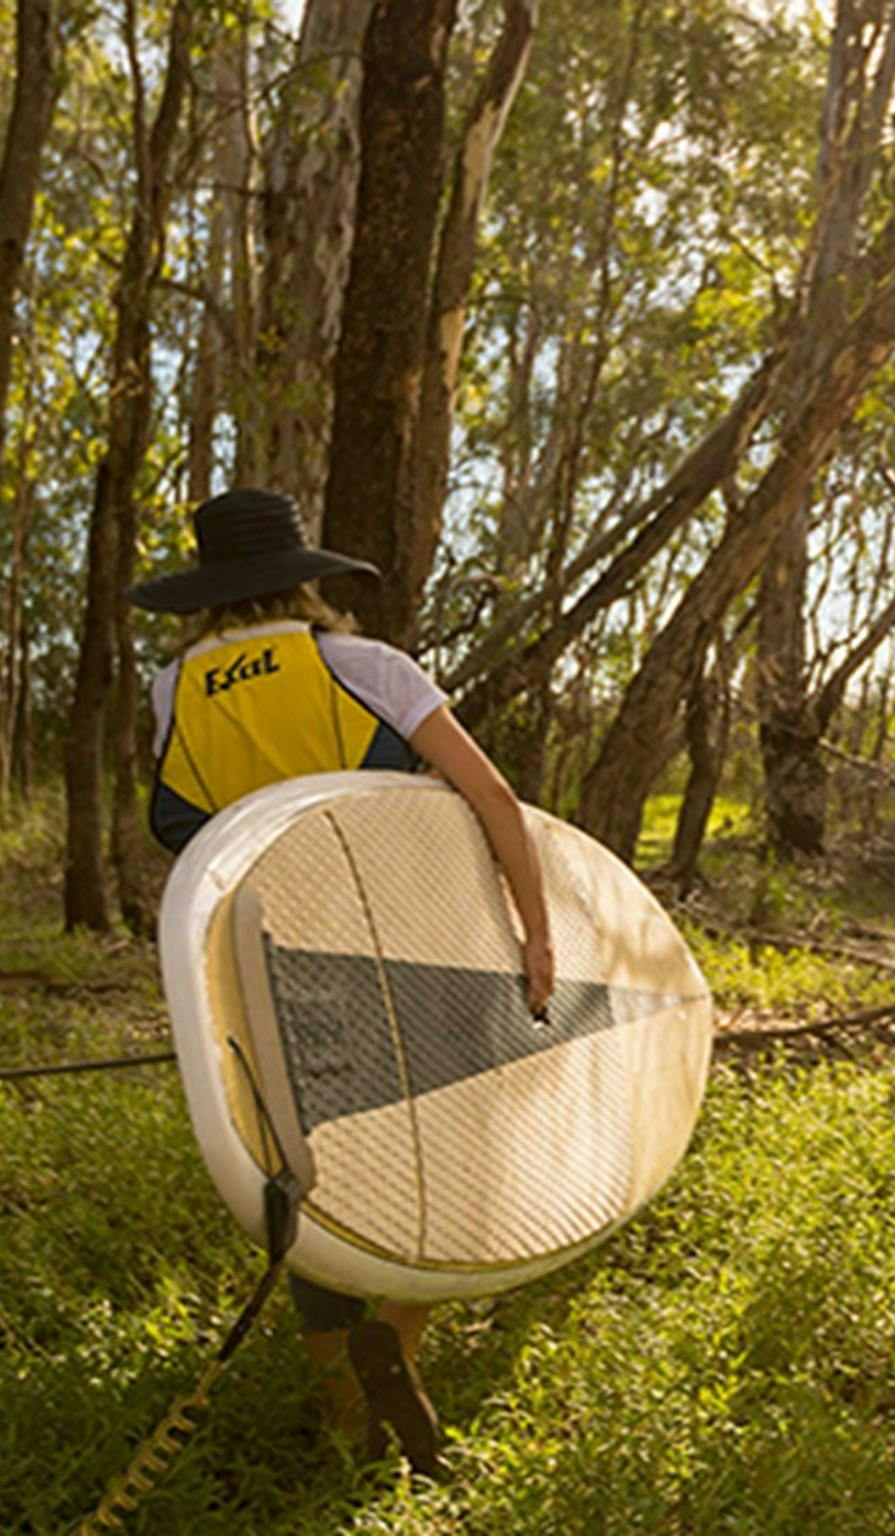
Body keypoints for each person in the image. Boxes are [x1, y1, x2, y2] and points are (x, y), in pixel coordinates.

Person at [130, 487, 555, 1476]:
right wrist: (536, 934)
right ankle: (397, 1348)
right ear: (306, 580)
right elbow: (491, 797)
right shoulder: (364, 667)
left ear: (208, 593)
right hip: (410, 951)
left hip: (267, 969)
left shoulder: (171, 692)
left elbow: (202, 843)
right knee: (445, 1160)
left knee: (307, 1184)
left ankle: (339, 1409)